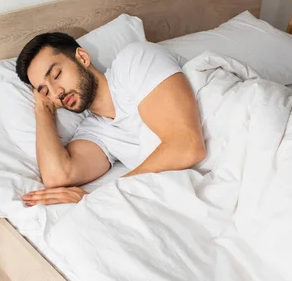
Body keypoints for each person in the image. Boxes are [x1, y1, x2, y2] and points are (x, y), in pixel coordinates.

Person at [17, 32, 206, 206]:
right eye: (45, 91)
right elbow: (57, 176)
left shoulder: (134, 61)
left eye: (57, 75)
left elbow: (187, 146)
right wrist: (43, 111)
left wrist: (103, 196)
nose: (56, 92)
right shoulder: (96, 131)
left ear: (82, 57)